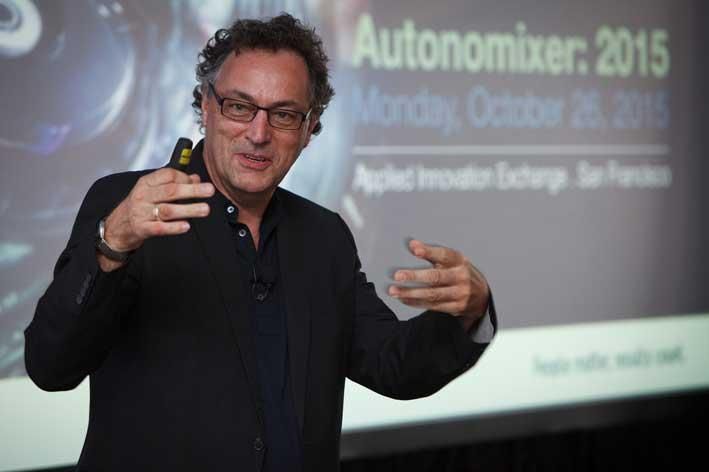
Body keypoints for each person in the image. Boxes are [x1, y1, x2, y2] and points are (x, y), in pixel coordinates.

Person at [25, 13, 496, 472]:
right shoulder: (129, 208)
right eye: (239, 107)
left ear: (309, 130)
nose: (258, 133)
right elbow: (51, 366)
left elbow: (393, 366)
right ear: (206, 106)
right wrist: (112, 245)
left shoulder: (324, 236)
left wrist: (469, 312)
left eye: (284, 115)